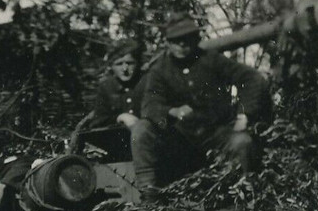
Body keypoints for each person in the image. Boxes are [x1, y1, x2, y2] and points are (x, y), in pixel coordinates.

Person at [131, 12, 271, 201]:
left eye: (186, 39)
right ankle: (149, 195)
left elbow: (252, 79)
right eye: (176, 40)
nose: (181, 45)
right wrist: (173, 111)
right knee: (141, 129)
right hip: (181, 140)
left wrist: (243, 115)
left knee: (242, 143)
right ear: (167, 42)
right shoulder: (160, 70)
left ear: (195, 39)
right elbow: (149, 105)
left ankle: (244, 196)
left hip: (216, 133)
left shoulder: (211, 60)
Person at [69, 38, 142, 160]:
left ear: (137, 63)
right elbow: (98, 121)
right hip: (119, 149)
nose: (124, 68)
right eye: (119, 64)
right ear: (111, 66)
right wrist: (119, 117)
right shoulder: (106, 88)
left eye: (130, 63)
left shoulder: (146, 83)